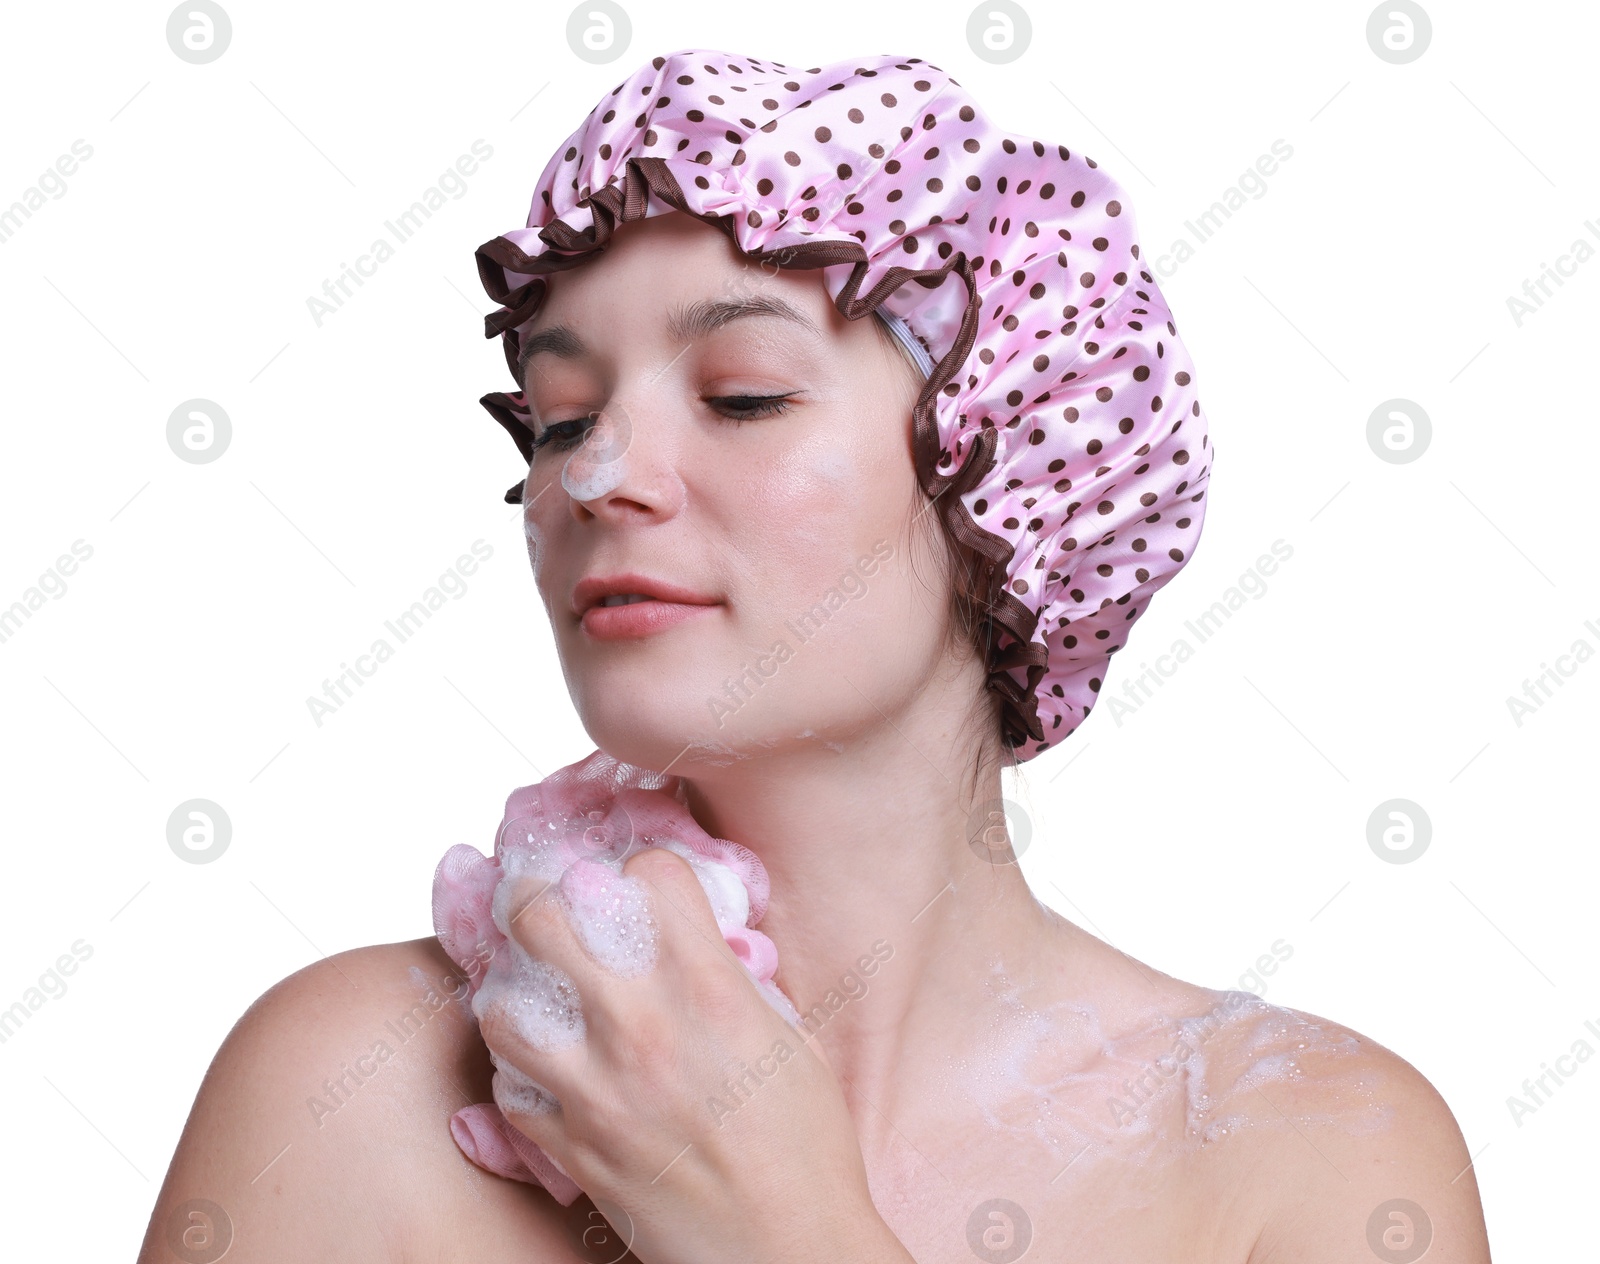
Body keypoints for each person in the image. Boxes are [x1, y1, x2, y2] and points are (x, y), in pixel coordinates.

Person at [139, 49, 1491, 1264]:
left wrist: (777, 1227)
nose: (599, 473)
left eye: (743, 397)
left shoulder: (1307, 1157)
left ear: (1003, 475)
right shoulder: (348, 1090)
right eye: (558, 416)